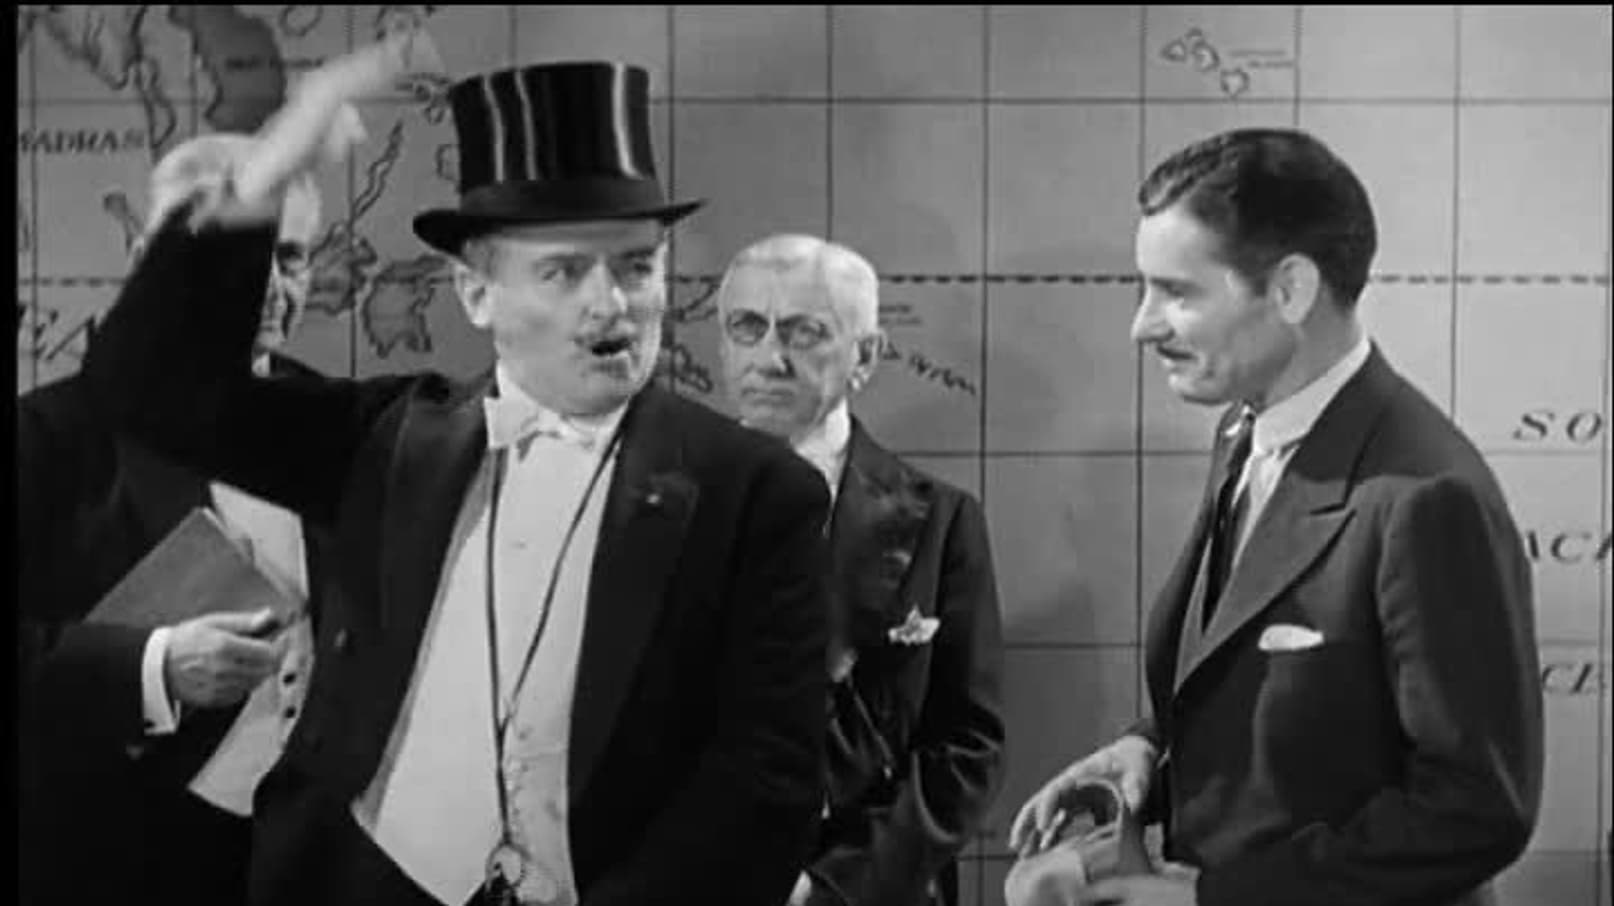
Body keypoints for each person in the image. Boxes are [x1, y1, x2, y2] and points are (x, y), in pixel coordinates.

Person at [78, 61, 832, 906]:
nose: (611, 305)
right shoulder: (390, 441)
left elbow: (763, 786)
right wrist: (259, 184)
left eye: (634, 266)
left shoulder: (757, 495)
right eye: (563, 271)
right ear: (476, 293)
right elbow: (145, 391)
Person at [1007, 128, 1543, 906]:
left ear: (1291, 289)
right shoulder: (1244, 429)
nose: (1142, 325)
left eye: (1178, 292)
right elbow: (1281, 698)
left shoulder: (1428, 499)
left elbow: (1477, 811)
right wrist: (1149, 749)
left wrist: (1214, 900)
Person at [17, 133, 333, 906]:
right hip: (116, 865)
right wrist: (153, 668)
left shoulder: (342, 424)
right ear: (145, 261)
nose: (265, 286)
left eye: (289, 258)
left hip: (313, 863)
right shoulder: (48, 436)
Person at [716, 235, 1006, 906]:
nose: (770, 358)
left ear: (866, 356)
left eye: (804, 333)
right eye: (747, 327)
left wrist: (831, 886)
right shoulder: (667, 505)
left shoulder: (942, 522)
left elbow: (968, 747)